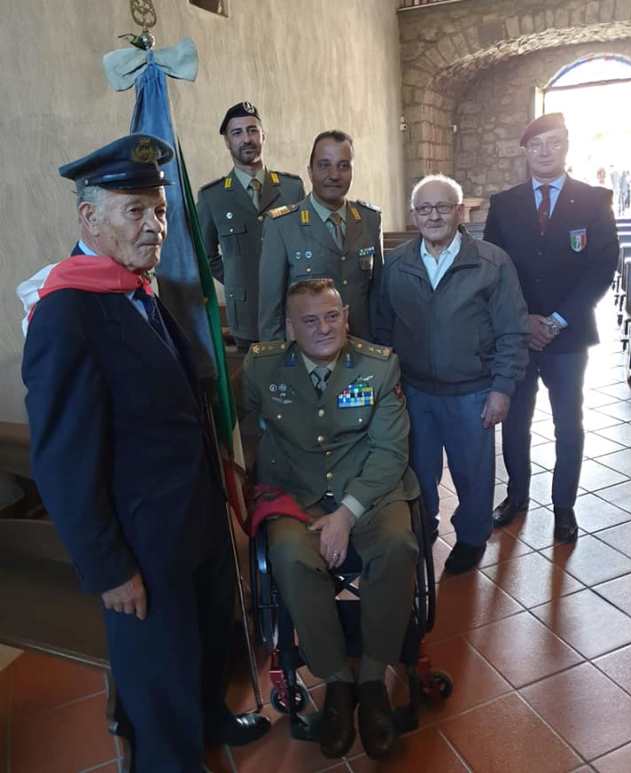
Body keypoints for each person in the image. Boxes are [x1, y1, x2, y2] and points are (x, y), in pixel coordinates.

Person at [19, 134, 269, 773]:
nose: (156, 225)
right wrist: (108, 567)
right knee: (159, 671)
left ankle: (211, 717)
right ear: (89, 217)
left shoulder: (133, 287)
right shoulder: (69, 312)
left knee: (205, 638)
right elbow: (63, 461)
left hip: (194, 518)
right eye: (135, 211)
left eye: (159, 210)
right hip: (142, 541)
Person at [243, 278, 418, 760]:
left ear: (345, 316)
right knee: (290, 557)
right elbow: (244, 428)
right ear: (289, 327)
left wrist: (346, 513)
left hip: (368, 491)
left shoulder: (378, 366)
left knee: (398, 546)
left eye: (332, 316)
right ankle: (337, 681)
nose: (324, 328)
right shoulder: (261, 367)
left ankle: (373, 680)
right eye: (310, 320)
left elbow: (390, 451)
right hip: (295, 495)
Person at [375, 175, 528, 574]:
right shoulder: (396, 264)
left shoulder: (492, 262)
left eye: (443, 207)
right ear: (414, 215)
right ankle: (423, 526)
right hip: (414, 392)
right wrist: (388, 385)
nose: (433, 216)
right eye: (424, 209)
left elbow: (512, 331)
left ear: (460, 212)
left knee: (473, 474)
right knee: (417, 472)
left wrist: (502, 389)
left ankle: (472, 538)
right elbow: (382, 330)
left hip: (472, 391)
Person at [483, 113, 618, 542]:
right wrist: (522, 320)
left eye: (554, 142)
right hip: (517, 336)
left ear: (566, 146)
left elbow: (602, 267)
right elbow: (492, 269)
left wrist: (557, 320)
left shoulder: (594, 200)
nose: (545, 151)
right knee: (514, 422)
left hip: (569, 336)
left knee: (568, 424)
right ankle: (516, 496)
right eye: (536, 144)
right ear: (525, 151)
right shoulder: (504, 204)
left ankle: (564, 507)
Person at [197, 101, 304, 351]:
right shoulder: (213, 196)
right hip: (246, 316)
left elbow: (303, 244)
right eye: (237, 133)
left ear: (263, 135)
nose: (246, 139)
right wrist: (238, 281)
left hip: (291, 311)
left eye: (252, 130)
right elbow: (206, 255)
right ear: (227, 141)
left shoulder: (292, 188)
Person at [258, 130, 382, 341]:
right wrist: (277, 357)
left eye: (343, 166)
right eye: (324, 165)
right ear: (310, 171)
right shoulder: (282, 225)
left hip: (362, 348)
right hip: (308, 351)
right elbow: (271, 310)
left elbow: (378, 296)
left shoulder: (369, 219)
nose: (334, 175)